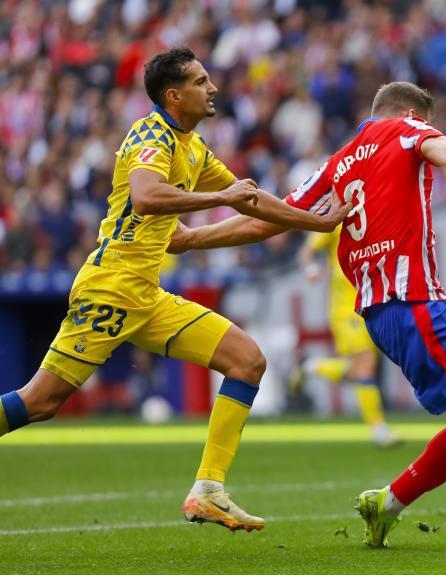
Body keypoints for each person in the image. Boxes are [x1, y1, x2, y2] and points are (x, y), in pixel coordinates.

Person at [170, 81, 446, 548]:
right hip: (415, 304)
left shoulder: (336, 163)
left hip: (382, 316)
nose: (428, 130)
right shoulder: (407, 129)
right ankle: (405, 498)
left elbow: (269, 219)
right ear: (408, 112)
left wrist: (192, 240)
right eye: (426, 121)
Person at [0, 47, 348, 533]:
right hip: (110, 288)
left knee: (247, 360)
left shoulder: (193, 147)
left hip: (147, 294)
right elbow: (146, 197)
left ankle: (209, 491)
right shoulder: (150, 134)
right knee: (41, 402)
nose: (213, 88)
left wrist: (316, 221)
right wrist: (220, 198)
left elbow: (249, 205)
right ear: (173, 94)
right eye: (202, 81)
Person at [292, 226, 401, 447]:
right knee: (365, 367)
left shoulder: (378, 214)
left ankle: (312, 366)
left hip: (376, 304)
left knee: (360, 371)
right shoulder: (337, 219)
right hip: (346, 308)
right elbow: (306, 251)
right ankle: (379, 430)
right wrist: (310, 268)